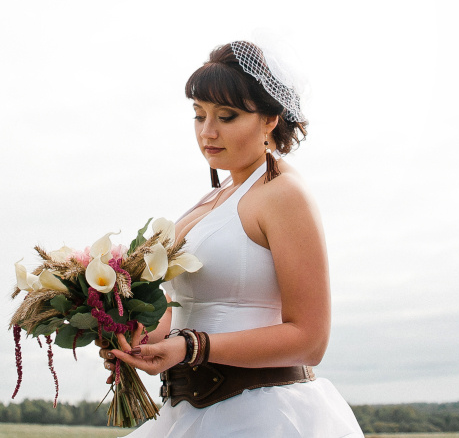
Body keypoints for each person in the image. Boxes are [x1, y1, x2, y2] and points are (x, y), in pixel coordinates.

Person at [105, 41, 364, 437]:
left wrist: (192, 347)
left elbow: (310, 339)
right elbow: (182, 312)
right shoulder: (214, 197)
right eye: (198, 115)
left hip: (260, 416)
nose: (207, 132)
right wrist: (131, 338)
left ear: (270, 119)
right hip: (188, 412)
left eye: (226, 116)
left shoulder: (283, 194)